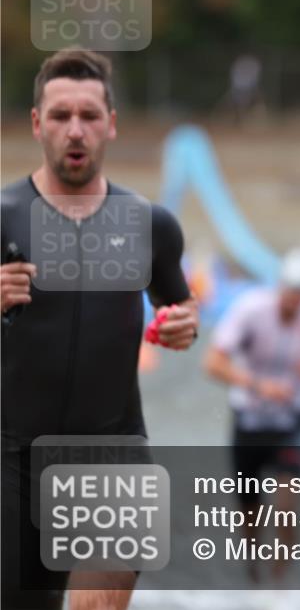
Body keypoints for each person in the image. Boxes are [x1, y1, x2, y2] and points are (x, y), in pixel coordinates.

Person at [1, 48, 199, 610]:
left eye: (89, 115)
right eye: (61, 115)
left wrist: (183, 325)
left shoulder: (150, 224)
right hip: (13, 458)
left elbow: (179, 309)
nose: (75, 129)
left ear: (111, 123)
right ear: (38, 123)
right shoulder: (4, 215)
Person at [203, 249, 300, 583]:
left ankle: (279, 582)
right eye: (289, 293)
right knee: (251, 512)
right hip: (249, 418)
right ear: (279, 288)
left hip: (292, 420)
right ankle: (253, 570)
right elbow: (213, 363)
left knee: (288, 506)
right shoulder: (250, 310)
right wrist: (256, 384)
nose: (294, 303)